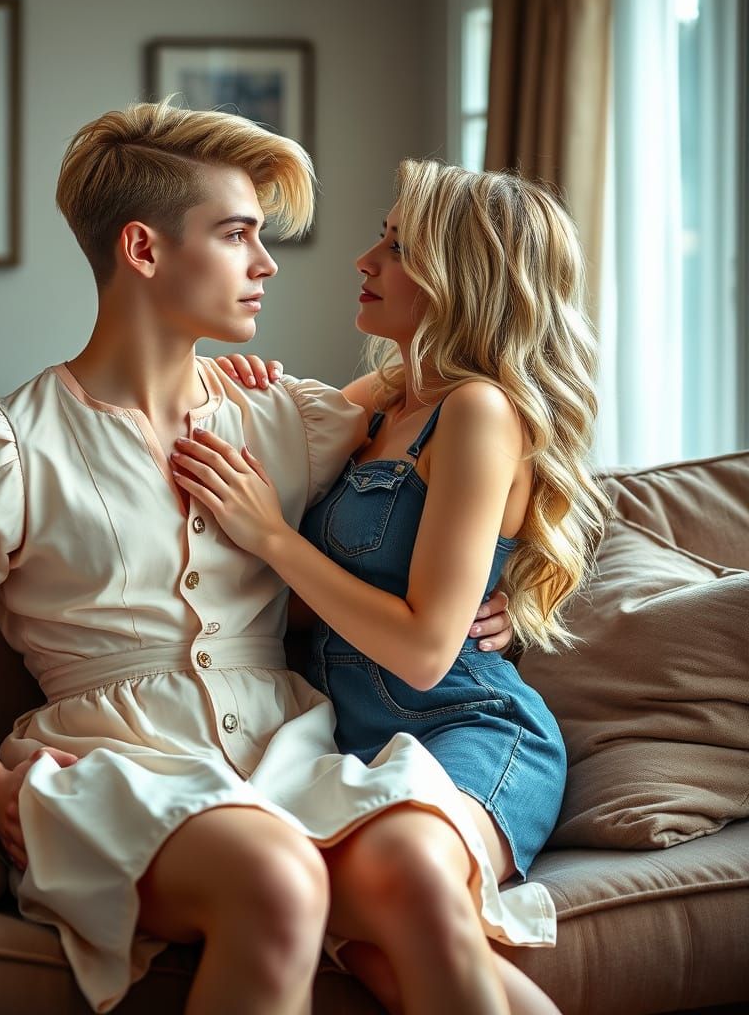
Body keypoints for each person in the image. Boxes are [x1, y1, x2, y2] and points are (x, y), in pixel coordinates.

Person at [0, 102, 557, 1015]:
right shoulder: (3, 450)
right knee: (279, 880)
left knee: (403, 902)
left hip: (296, 757)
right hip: (110, 764)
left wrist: (511, 591)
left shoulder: (291, 417)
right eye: (237, 236)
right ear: (143, 250)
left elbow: (465, 434)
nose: (267, 264)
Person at [175, 158, 611, 1012]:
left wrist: (273, 537)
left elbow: (423, 653)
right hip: (344, 739)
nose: (364, 260)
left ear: (463, 276)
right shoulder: (380, 398)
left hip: (462, 726)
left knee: (405, 870)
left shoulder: (477, 409)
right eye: (382, 238)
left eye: (399, 247)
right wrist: (236, 388)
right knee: (374, 951)